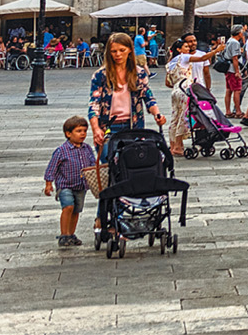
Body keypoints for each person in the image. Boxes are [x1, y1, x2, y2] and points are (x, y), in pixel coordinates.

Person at [88, 31, 164, 156]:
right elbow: (94, 104)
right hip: (108, 127)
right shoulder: (100, 75)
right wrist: (96, 129)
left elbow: (148, 97)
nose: (118, 54)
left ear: (130, 50)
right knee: (109, 165)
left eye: (122, 50)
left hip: (133, 126)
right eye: (113, 51)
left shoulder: (139, 73)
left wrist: (157, 114)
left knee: (132, 166)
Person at [44, 115, 99, 248]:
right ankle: (64, 234)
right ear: (68, 134)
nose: (83, 134)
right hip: (65, 185)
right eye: (79, 131)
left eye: (85, 131)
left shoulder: (86, 149)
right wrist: (48, 184)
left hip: (81, 186)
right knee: (68, 206)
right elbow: (52, 167)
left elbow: (92, 165)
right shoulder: (61, 150)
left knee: (76, 210)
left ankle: (71, 234)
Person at [164, 35, 212, 155]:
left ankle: (173, 145)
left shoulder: (171, 62)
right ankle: (178, 146)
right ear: (179, 49)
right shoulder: (184, 57)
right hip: (185, 89)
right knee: (183, 118)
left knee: (174, 118)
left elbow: (167, 82)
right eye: (185, 46)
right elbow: (203, 58)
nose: (188, 48)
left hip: (175, 90)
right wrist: (217, 50)